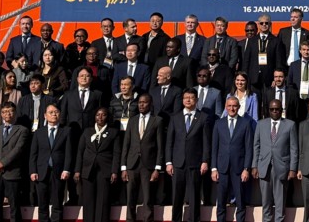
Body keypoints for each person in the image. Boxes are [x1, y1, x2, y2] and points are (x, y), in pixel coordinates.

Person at [166, 89, 211, 222]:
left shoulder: (203, 117)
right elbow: (169, 142)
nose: (188, 100)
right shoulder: (175, 117)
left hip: (195, 163)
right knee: (177, 197)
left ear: (196, 100)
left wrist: (205, 160)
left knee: (194, 197)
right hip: (178, 163)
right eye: (186, 97)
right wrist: (168, 162)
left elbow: (206, 142)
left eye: (191, 97)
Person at [252, 99, 298, 222]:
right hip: (264, 167)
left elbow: (294, 148)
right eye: (272, 109)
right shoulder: (261, 124)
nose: (274, 111)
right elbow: (256, 146)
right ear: (268, 110)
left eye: (277, 109)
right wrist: (254, 166)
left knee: (280, 203)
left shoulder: (290, 124)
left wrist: (293, 169)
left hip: (282, 168)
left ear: (281, 110)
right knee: (266, 203)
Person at [121, 94, 164, 222]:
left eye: (144, 102)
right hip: (132, 164)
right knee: (130, 198)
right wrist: (123, 167)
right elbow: (126, 144)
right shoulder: (132, 120)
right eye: (140, 102)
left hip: (148, 165)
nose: (141, 105)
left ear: (150, 104)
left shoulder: (157, 121)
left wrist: (157, 168)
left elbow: (160, 146)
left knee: (148, 198)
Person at [212, 97, 255, 222]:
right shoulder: (218, 123)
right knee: (221, 202)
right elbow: (214, 147)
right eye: (229, 106)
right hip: (221, 168)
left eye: (234, 106)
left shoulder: (246, 123)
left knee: (240, 202)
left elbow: (249, 148)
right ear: (226, 107)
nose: (232, 108)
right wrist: (214, 168)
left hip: (239, 169)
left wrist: (246, 168)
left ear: (239, 107)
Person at [74, 107, 120, 222]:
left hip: (105, 170)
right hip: (88, 169)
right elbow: (80, 151)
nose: (100, 117)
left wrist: (114, 171)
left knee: (103, 201)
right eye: (97, 115)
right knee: (88, 200)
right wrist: (77, 170)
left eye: (103, 115)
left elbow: (116, 153)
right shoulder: (87, 131)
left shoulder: (113, 132)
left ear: (107, 117)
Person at [29, 104, 73, 222]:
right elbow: (33, 154)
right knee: (42, 204)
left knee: (57, 203)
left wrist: (66, 169)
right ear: (45, 116)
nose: (54, 114)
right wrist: (33, 171)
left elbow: (69, 152)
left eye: (56, 112)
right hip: (41, 172)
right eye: (51, 112)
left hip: (59, 172)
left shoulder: (66, 131)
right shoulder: (39, 132)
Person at [0, 102, 28, 222]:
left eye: (10, 111)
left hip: (12, 173)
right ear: (1, 114)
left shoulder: (22, 130)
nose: (7, 114)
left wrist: (2, 163)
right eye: (4, 112)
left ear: (15, 113)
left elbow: (18, 149)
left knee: (14, 207)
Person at [244, 14, 286, 91]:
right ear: (258, 25)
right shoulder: (251, 41)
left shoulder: (276, 41)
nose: (264, 25)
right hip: (253, 79)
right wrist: (245, 78)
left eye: (266, 23)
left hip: (269, 80)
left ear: (270, 24)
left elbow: (278, 61)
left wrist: (276, 78)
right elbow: (246, 61)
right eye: (262, 23)